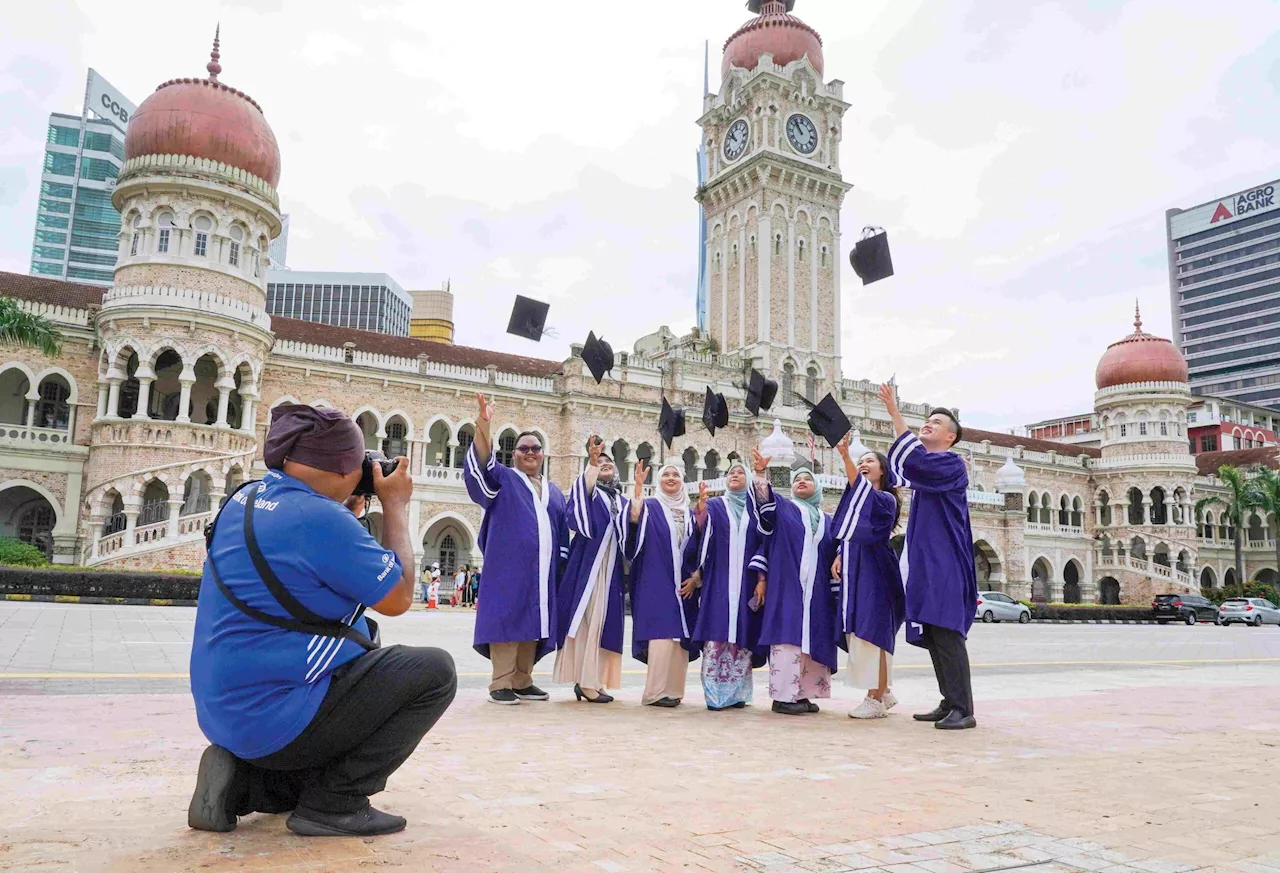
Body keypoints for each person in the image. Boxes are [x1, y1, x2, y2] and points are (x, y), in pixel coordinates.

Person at [187, 404, 456, 837]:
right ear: (340, 467)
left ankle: (245, 783)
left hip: (224, 713)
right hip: (275, 715)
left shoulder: (244, 498)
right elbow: (400, 596)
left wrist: (342, 507)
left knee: (361, 642)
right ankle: (335, 803)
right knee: (433, 671)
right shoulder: (320, 519)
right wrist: (395, 505)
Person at [879, 383, 979, 730]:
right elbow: (906, 468)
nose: (929, 424)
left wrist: (894, 412)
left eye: (937, 422)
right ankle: (949, 700)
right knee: (935, 631)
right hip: (928, 560)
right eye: (928, 419)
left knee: (947, 630)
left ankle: (963, 709)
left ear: (951, 437)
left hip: (947, 561)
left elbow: (913, 461)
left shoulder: (951, 464)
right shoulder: (930, 470)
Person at [464, 392, 569, 705]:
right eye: (524, 448)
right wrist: (484, 423)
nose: (530, 453)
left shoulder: (553, 491)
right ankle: (500, 682)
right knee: (508, 619)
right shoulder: (505, 479)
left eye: (536, 448)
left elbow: (562, 530)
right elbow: (482, 464)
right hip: (509, 567)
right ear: (515, 454)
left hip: (542, 570)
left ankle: (522, 680)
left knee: (533, 623)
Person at [687, 452, 774, 711]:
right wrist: (701, 509)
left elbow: (763, 542)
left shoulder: (754, 510)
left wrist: (761, 579)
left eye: (739, 472)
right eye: (730, 473)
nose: (734, 475)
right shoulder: (715, 506)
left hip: (747, 581)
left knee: (742, 633)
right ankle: (715, 695)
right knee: (717, 631)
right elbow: (699, 533)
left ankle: (737, 693)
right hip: (718, 581)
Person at [831, 436, 905, 719]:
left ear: (883, 471)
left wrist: (846, 458)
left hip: (875, 569)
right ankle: (883, 691)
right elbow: (850, 531)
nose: (863, 464)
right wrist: (840, 554)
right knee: (859, 631)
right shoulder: (857, 501)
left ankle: (875, 697)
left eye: (868, 461)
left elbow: (861, 495)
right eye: (860, 462)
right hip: (856, 568)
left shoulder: (884, 499)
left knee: (874, 632)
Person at [756, 465, 839, 715]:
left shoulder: (828, 521)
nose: (801, 482)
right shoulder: (785, 508)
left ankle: (802, 694)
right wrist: (760, 473)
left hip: (817, 590)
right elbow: (763, 502)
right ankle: (782, 697)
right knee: (787, 638)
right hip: (787, 584)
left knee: (811, 639)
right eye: (797, 479)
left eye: (807, 479)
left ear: (818, 488)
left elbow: (840, 545)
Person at [624, 463, 704, 707]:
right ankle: (655, 692)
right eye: (666, 475)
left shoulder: (690, 513)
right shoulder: (649, 506)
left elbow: (702, 548)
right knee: (660, 636)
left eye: (676, 475)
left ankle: (673, 691)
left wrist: (697, 577)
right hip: (655, 579)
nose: (671, 478)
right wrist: (638, 489)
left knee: (679, 639)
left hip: (684, 584)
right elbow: (632, 524)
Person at [554, 436, 628, 703]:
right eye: (601, 462)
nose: (606, 464)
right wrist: (593, 463)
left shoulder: (620, 500)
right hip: (588, 569)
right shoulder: (591, 493)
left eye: (610, 463)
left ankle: (594, 679)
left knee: (602, 625)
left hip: (611, 574)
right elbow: (582, 494)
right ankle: (584, 681)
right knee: (587, 622)